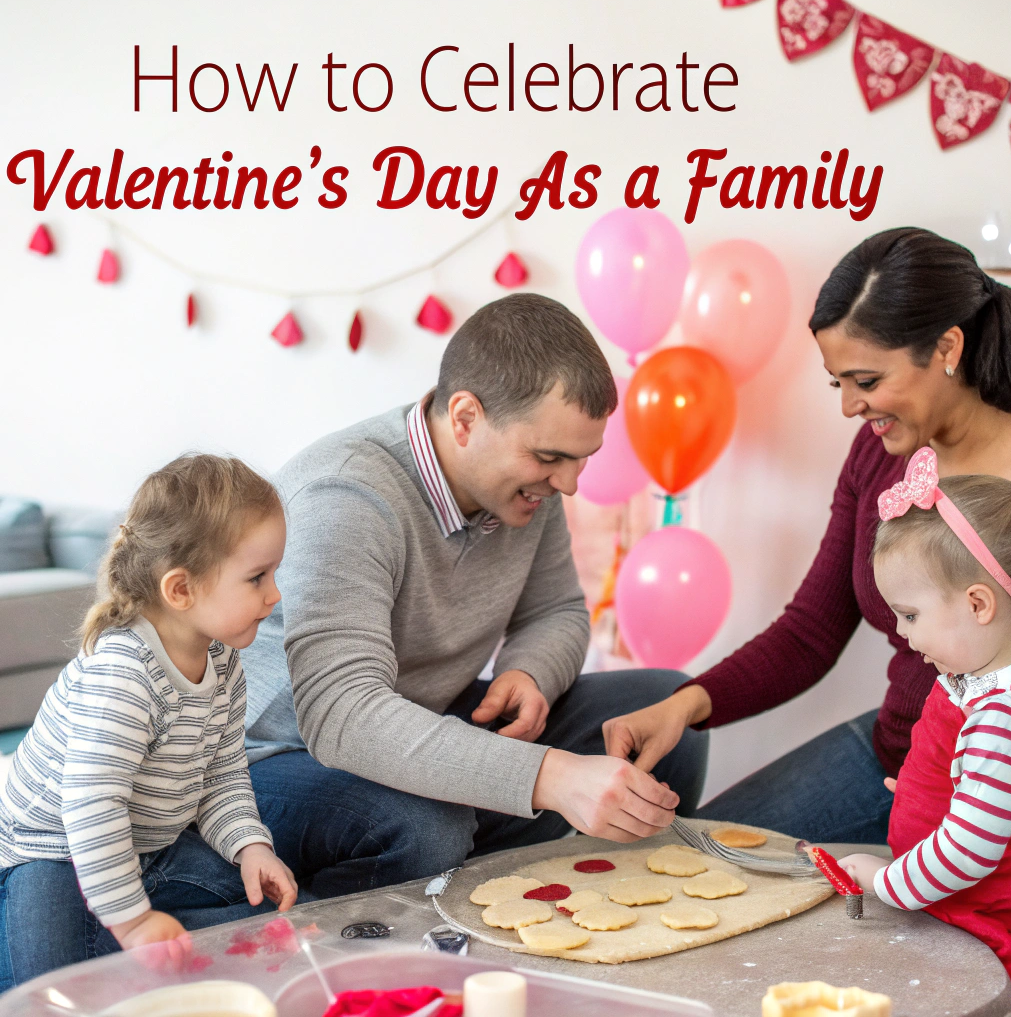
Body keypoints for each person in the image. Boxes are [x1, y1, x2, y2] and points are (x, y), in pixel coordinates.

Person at [243, 292, 708, 900]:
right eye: (549, 458)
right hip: (284, 756)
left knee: (665, 710)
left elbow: (558, 611)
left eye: (580, 460)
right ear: (464, 419)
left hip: (425, 717)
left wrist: (531, 672)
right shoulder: (346, 495)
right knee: (426, 826)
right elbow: (343, 718)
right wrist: (553, 776)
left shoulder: (525, 490)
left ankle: (567, 894)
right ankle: (367, 937)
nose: (569, 483)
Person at [602, 227, 1011, 843]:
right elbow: (811, 630)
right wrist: (685, 704)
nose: (851, 407)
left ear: (947, 348)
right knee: (700, 861)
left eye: (868, 381)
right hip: (894, 753)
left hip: (997, 787)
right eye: (839, 384)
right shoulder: (877, 455)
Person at [0, 455, 297, 990]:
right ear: (180, 590)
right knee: (45, 987)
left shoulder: (224, 661)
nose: (274, 595)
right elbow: (91, 805)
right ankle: (122, 930)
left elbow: (223, 774)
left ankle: (126, 931)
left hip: (148, 842)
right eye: (257, 578)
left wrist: (251, 845)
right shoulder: (124, 673)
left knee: (257, 898)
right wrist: (135, 923)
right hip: (52, 847)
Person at [839, 448, 1011, 1007]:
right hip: (949, 900)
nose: (904, 635)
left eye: (911, 615)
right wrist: (926, 791)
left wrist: (884, 882)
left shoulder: (1003, 716)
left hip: (979, 922)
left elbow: (970, 849)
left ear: (977, 603)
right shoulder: (977, 678)